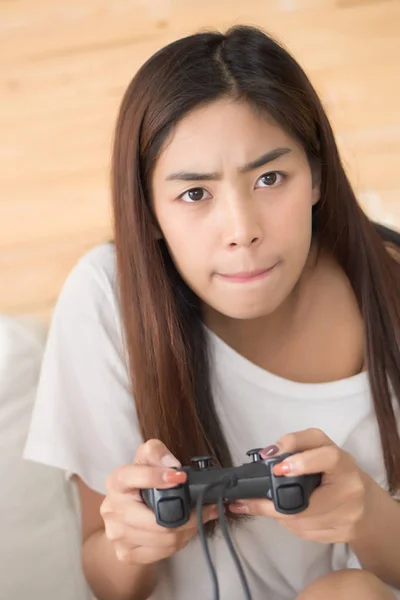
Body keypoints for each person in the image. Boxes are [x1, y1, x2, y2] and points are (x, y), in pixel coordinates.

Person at [23, 24, 400, 600]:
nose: (242, 231)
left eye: (270, 178)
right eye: (195, 194)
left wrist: (371, 516)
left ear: (318, 174)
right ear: (148, 211)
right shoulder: (108, 296)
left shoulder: (391, 283)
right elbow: (108, 582)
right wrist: (138, 538)